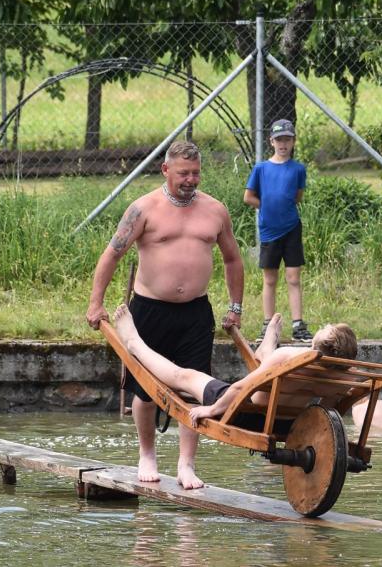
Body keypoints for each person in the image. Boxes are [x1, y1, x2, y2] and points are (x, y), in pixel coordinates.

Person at [86, 140, 244, 490]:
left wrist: (235, 307)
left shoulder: (215, 210)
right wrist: (96, 303)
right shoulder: (143, 209)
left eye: (196, 173)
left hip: (195, 313)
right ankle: (147, 454)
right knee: (145, 391)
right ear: (166, 170)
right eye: (184, 173)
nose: (190, 180)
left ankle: (186, 464)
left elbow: (233, 259)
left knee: (195, 389)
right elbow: (112, 254)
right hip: (149, 311)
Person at [111, 306, 360, 428]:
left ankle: (134, 343)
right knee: (271, 369)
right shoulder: (343, 378)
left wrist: (211, 410)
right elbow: (324, 412)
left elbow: (243, 388)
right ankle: (266, 349)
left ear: (316, 346)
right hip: (286, 425)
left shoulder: (290, 357)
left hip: (245, 414)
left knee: (184, 375)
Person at [244, 118, 310, 341]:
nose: (283, 144)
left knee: (293, 277)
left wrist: (282, 207)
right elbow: (248, 197)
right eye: (279, 139)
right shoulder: (261, 168)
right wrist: (267, 206)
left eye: (287, 140)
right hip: (269, 232)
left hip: (291, 229)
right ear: (271, 141)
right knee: (270, 279)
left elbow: (297, 197)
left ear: (293, 141)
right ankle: (268, 325)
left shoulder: (298, 169)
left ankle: (298, 325)